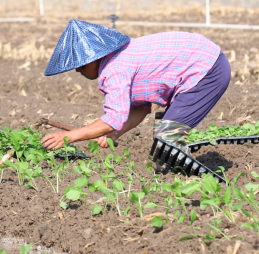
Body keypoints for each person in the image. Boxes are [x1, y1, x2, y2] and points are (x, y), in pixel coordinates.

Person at [41, 19, 230, 159]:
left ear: (94, 57)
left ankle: (193, 182)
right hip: (207, 62)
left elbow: (114, 118)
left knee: (168, 134)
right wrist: (115, 133)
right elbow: (139, 108)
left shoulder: (114, 69)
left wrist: (69, 136)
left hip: (207, 69)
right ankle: (173, 174)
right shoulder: (118, 59)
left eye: (81, 65)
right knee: (165, 137)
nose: (78, 70)